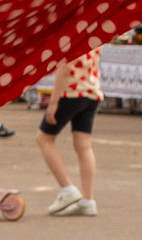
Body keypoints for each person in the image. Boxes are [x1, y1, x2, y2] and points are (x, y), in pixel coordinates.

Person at [35, 50, 101, 216]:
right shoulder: (94, 31)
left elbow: (65, 67)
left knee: (44, 138)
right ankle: (88, 199)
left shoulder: (72, 33)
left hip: (71, 92)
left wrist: (53, 102)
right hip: (91, 90)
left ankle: (67, 189)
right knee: (83, 145)